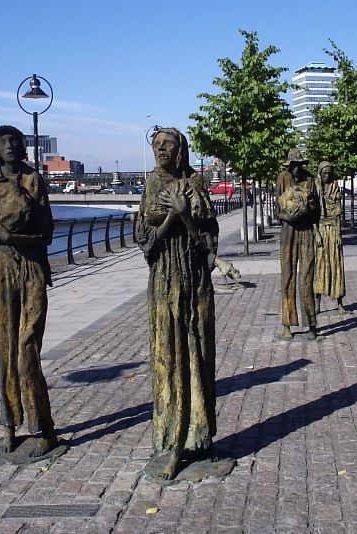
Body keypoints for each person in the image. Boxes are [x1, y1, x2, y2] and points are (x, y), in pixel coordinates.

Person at [135, 127, 219, 480]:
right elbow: (146, 244)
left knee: (197, 353)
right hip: (163, 279)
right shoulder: (150, 185)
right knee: (167, 357)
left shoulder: (196, 183)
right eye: (157, 145)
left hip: (194, 278)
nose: (161, 150)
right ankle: (170, 440)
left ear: (181, 149)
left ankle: (197, 437)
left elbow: (208, 246)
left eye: (168, 144)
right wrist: (173, 218)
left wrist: (185, 214)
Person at [0, 125, 59, 457]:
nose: (9, 145)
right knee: (6, 349)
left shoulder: (33, 179)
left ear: (21, 146)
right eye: (2, 141)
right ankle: (9, 424)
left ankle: (42, 427)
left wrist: (13, 239)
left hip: (32, 268)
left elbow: (46, 234)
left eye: (14, 140)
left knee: (27, 350)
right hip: (3, 269)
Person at [276, 148, 319, 341]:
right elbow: (278, 208)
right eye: (292, 166)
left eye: (298, 165)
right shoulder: (282, 178)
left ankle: (311, 325)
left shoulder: (310, 180)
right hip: (288, 231)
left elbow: (317, 211)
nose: (295, 169)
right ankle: (287, 325)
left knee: (307, 277)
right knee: (287, 276)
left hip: (306, 231)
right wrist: (287, 216)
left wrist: (305, 211)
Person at [314, 161, 346, 315]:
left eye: (329, 173)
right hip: (320, 228)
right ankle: (317, 302)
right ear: (320, 173)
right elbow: (312, 213)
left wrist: (339, 233)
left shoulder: (335, 186)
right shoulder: (315, 187)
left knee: (336, 264)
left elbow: (339, 212)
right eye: (324, 173)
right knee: (320, 265)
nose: (327, 176)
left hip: (333, 229)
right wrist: (317, 233)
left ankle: (339, 302)